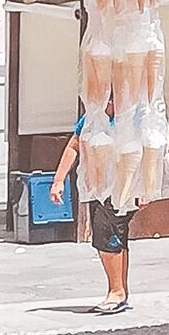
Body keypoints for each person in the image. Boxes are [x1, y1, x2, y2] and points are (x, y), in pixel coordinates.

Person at [55, 123, 132, 314]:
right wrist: (58, 180)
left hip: (122, 186)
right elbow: (74, 144)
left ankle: (117, 291)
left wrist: (147, 189)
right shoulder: (92, 115)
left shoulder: (133, 114)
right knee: (111, 234)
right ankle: (119, 290)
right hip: (97, 187)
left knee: (108, 234)